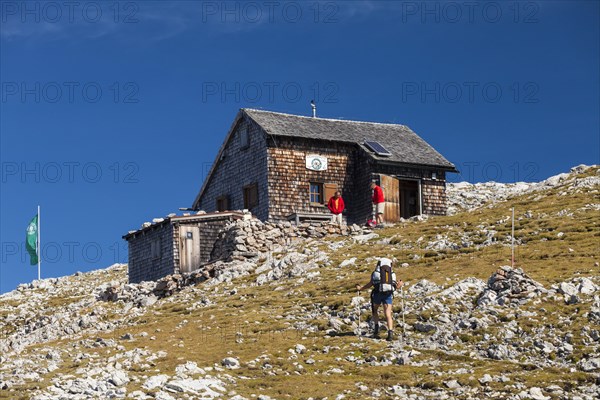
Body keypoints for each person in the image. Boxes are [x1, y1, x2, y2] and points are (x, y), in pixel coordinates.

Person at [356, 257, 403, 341]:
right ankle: (390, 333)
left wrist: (361, 288)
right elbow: (395, 286)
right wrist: (400, 285)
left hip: (377, 294)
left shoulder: (376, 273)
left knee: (375, 310)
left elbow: (371, 283)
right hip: (388, 295)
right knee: (388, 314)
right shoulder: (392, 273)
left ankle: (376, 329)